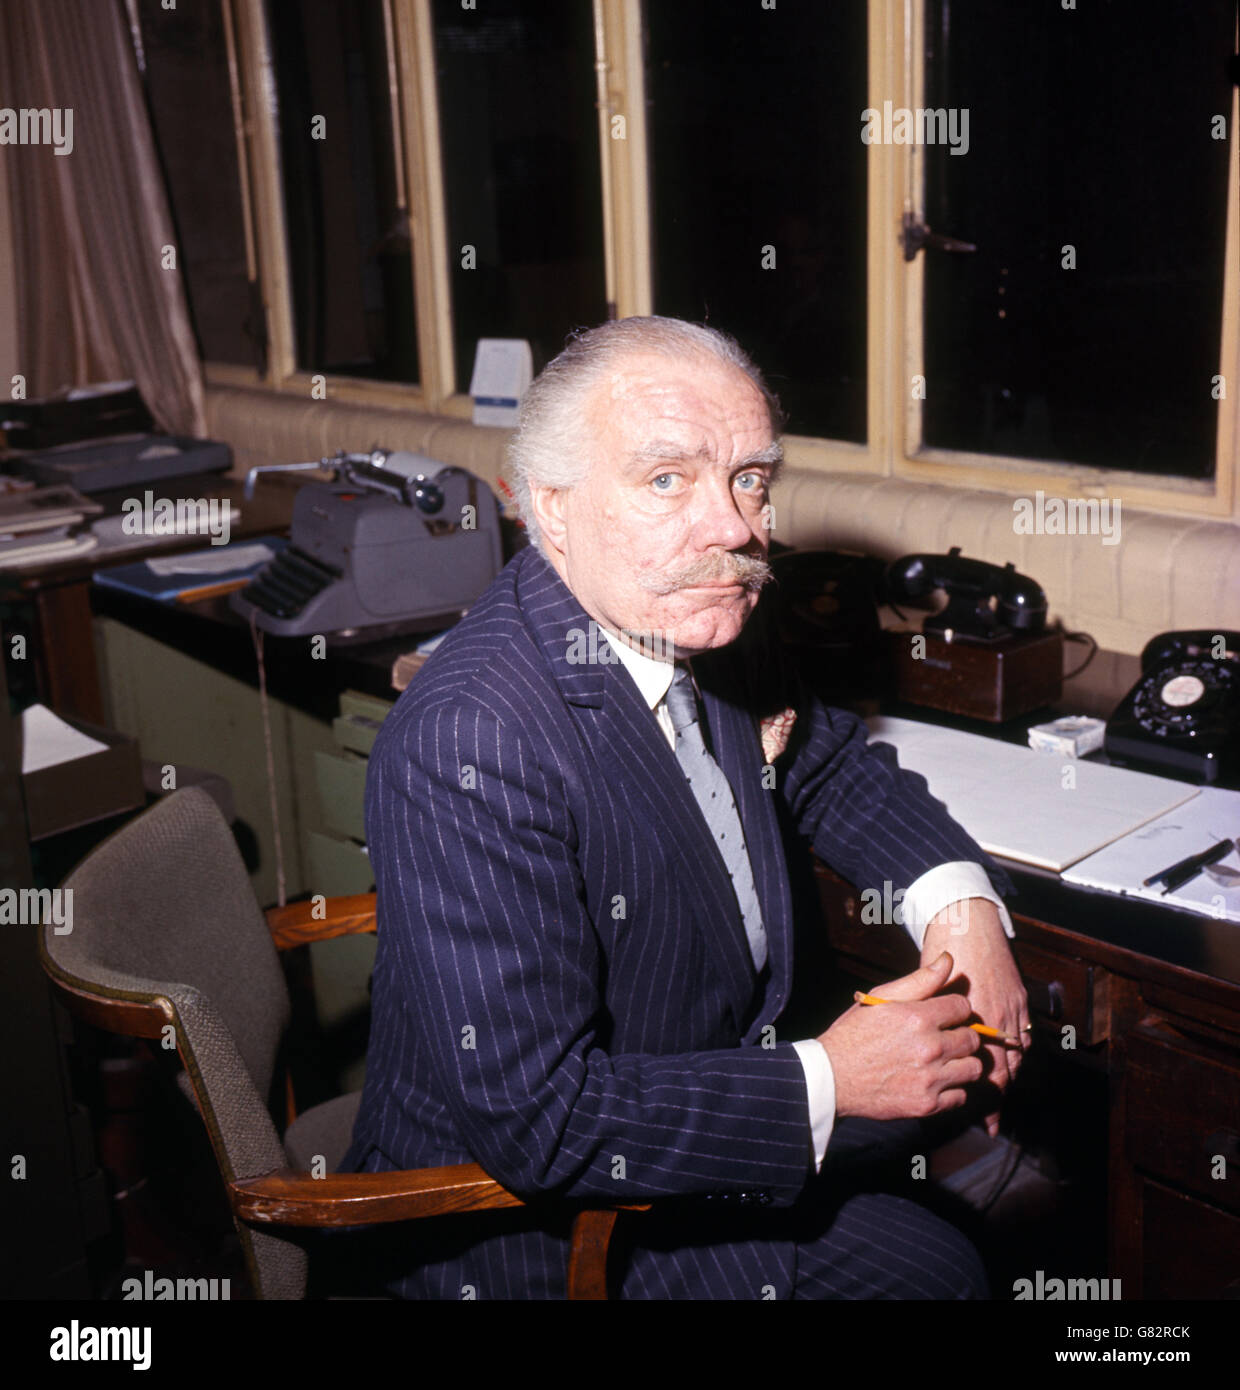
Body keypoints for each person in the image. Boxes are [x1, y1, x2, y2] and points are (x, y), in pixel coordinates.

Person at [343, 315, 1029, 1299]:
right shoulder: (472, 738)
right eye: (667, 479)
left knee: (953, 1266)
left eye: (749, 476)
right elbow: (544, 1123)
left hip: (703, 1148)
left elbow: (833, 765)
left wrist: (965, 913)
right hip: (533, 1237)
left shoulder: (700, 609)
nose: (735, 528)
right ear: (553, 508)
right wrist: (829, 1080)